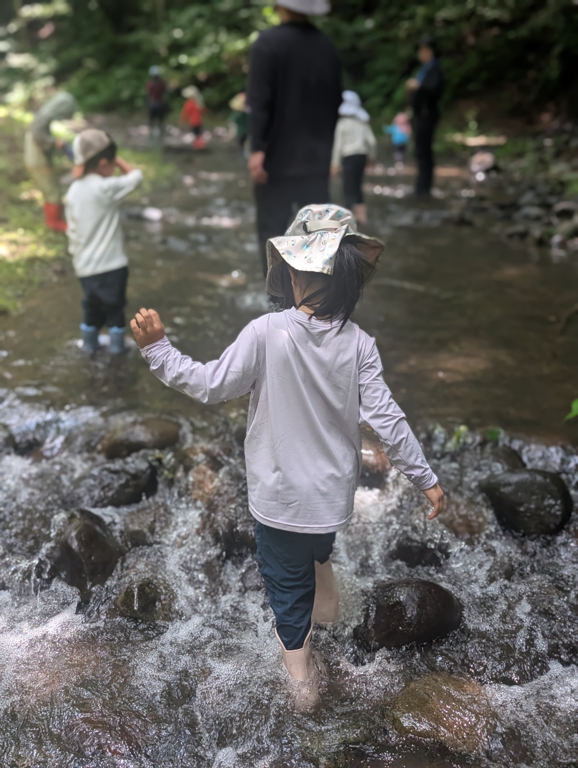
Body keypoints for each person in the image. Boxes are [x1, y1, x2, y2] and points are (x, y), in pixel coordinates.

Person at [130, 204, 444, 709]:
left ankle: (302, 687)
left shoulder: (266, 331)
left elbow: (211, 385)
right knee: (317, 547)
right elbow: (388, 420)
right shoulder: (360, 344)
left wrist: (158, 350)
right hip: (330, 496)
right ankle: (329, 600)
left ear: (294, 273)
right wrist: (424, 477)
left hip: (278, 499)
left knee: (285, 592)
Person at [246, 0, 342, 275]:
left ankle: (276, 305)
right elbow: (335, 101)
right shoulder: (327, 46)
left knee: (272, 234)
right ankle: (316, 307)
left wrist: (258, 149)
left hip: (277, 160)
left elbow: (259, 102)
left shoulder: (267, 43)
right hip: (316, 161)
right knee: (317, 239)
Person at [64, 129, 143, 354]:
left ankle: (89, 347)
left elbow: (73, 230)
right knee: (115, 311)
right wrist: (119, 160)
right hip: (113, 265)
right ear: (103, 162)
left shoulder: (73, 191)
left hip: (85, 267)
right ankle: (117, 352)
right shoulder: (106, 187)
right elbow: (136, 176)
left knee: (91, 309)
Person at [24, 90, 78, 231]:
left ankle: (55, 220)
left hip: (37, 157)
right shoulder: (42, 118)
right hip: (38, 159)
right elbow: (37, 134)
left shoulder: (43, 115)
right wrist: (54, 142)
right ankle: (54, 222)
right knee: (52, 191)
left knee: (51, 189)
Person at [331, 91, 376, 225]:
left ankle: (348, 222)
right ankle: (363, 218)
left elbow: (337, 145)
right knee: (358, 187)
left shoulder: (342, 123)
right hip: (361, 157)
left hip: (348, 157)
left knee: (348, 188)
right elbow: (372, 142)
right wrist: (371, 157)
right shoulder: (363, 122)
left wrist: (335, 163)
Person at [406, 35, 443, 196]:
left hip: (427, 114)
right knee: (420, 151)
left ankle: (424, 189)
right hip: (420, 115)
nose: (422, 53)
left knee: (424, 151)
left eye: (425, 50)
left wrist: (417, 86)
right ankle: (421, 187)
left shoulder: (435, 69)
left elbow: (433, 90)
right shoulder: (426, 69)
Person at [179, 85, 206, 150]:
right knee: (199, 134)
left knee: (195, 134)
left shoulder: (188, 104)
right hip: (199, 121)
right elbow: (203, 111)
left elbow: (186, 114)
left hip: (193, 122)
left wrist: (182, 121)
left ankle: (197, 146)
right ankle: (200, 145)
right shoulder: (198, 103)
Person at [146, 66, 169, 141]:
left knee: (151, 122)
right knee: (161, 122)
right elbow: (165, 92)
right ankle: (161, 138)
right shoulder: (162, 84)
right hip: (160, 104)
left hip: (153, 104)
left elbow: (149, 94)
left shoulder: (150, 84)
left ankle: (151, 137)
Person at [229, 92, 250, 158]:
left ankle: (242, 152)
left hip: (243, 131)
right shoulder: (242, 113)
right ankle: (242, 152)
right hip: (244, 130)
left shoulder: (239, 114)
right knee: (243, 141)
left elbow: (233, 121)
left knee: (242, 141)